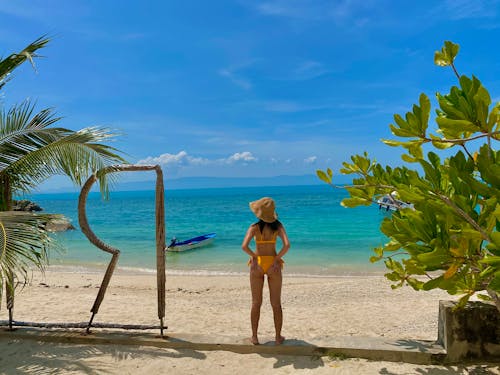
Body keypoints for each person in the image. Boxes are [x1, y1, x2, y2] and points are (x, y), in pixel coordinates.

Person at [241, 197, 290, 345]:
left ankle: (255, 337)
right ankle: (277, 337)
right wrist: (276, 259)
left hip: (258, 264)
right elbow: (287, 245)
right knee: (276, 304)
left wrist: (254, 256)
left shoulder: (254, 227)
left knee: (256, 303)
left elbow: (244, 246)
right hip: (273, 264)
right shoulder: (278, 226)